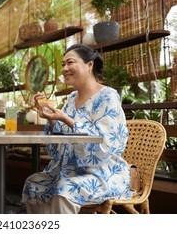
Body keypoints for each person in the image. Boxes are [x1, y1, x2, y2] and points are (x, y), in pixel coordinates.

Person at [22, 43, 133, 214]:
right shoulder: (71, 98)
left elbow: (105, 143)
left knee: (65, 190)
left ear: (89, 65)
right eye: (63, 64)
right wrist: (51, 118)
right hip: (68, 170)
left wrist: (67, 119)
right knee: (34, 184)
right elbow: (59, 144)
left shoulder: (108, 96)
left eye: (70, 62)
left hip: (103, 172)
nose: (64, 69)